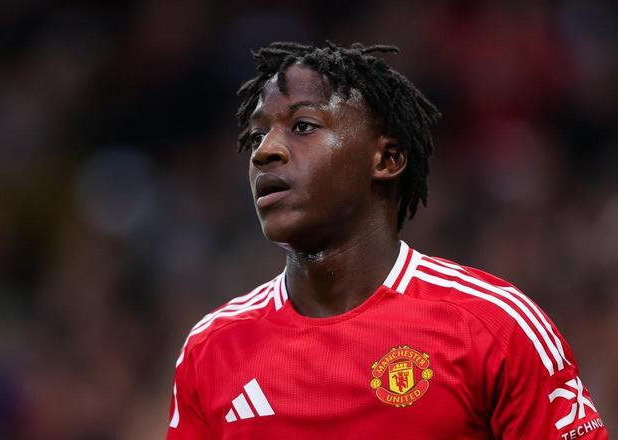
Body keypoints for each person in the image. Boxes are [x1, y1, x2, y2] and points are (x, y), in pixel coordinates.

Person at [165, 42, 608, 439]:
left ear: (387, 158)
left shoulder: (494, 326)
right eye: (257, 135)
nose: (265, 151)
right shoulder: (212, 349)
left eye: (302, 126)